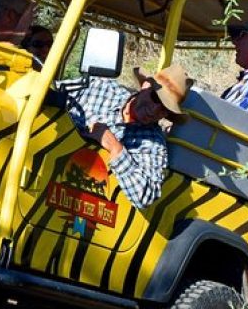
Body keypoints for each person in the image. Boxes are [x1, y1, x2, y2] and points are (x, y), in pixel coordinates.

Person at [67, 64, 193, 209]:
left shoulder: (153, 144)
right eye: (156, 98)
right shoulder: (101, 88)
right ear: (145, 85)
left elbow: (145, 196)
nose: (154, 110)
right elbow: (52, 91)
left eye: (165, 109)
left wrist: (115, 147)